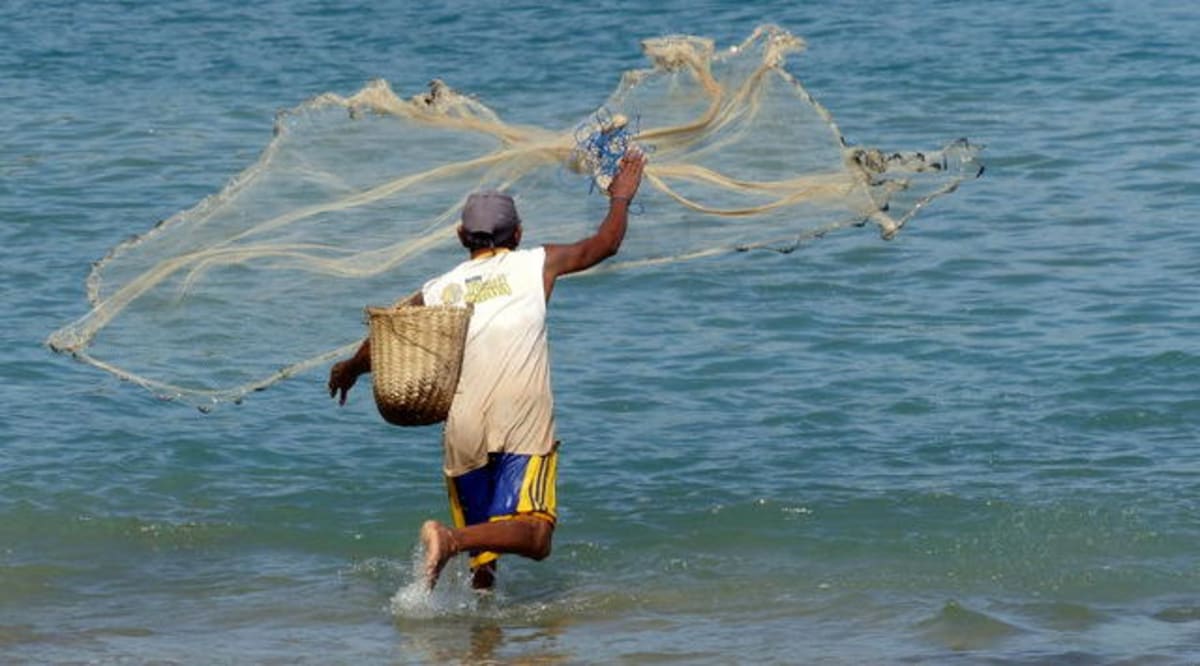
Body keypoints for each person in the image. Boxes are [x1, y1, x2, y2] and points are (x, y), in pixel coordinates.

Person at [328, 149, 646, 590]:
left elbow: (388, 335)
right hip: (521, 417)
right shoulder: (537, 262)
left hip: (464, 425)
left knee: (485, 563)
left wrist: (349, 370)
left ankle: (482, 642)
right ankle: (449, 538)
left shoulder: (439, 288)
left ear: (462, 237)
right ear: (518, 233)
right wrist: (622, 198)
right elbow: (605, 244)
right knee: (535, 536)